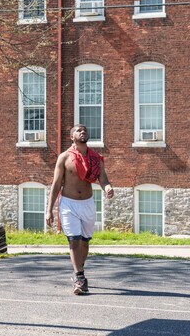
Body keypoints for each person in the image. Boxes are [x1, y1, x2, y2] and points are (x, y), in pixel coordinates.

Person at [46, 124, 114, 295]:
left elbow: (103, 179)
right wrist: (49, 210)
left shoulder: (95, 158)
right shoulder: (64, 157)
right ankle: (80, 277)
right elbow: (56, 185)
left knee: (84, 242)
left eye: (85, 130)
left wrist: (107, 188)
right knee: (74, 240)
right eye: (78, 130)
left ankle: (79, 269)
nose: (83, 132)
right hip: (68, 203)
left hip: (88, 203)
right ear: (72, 137)